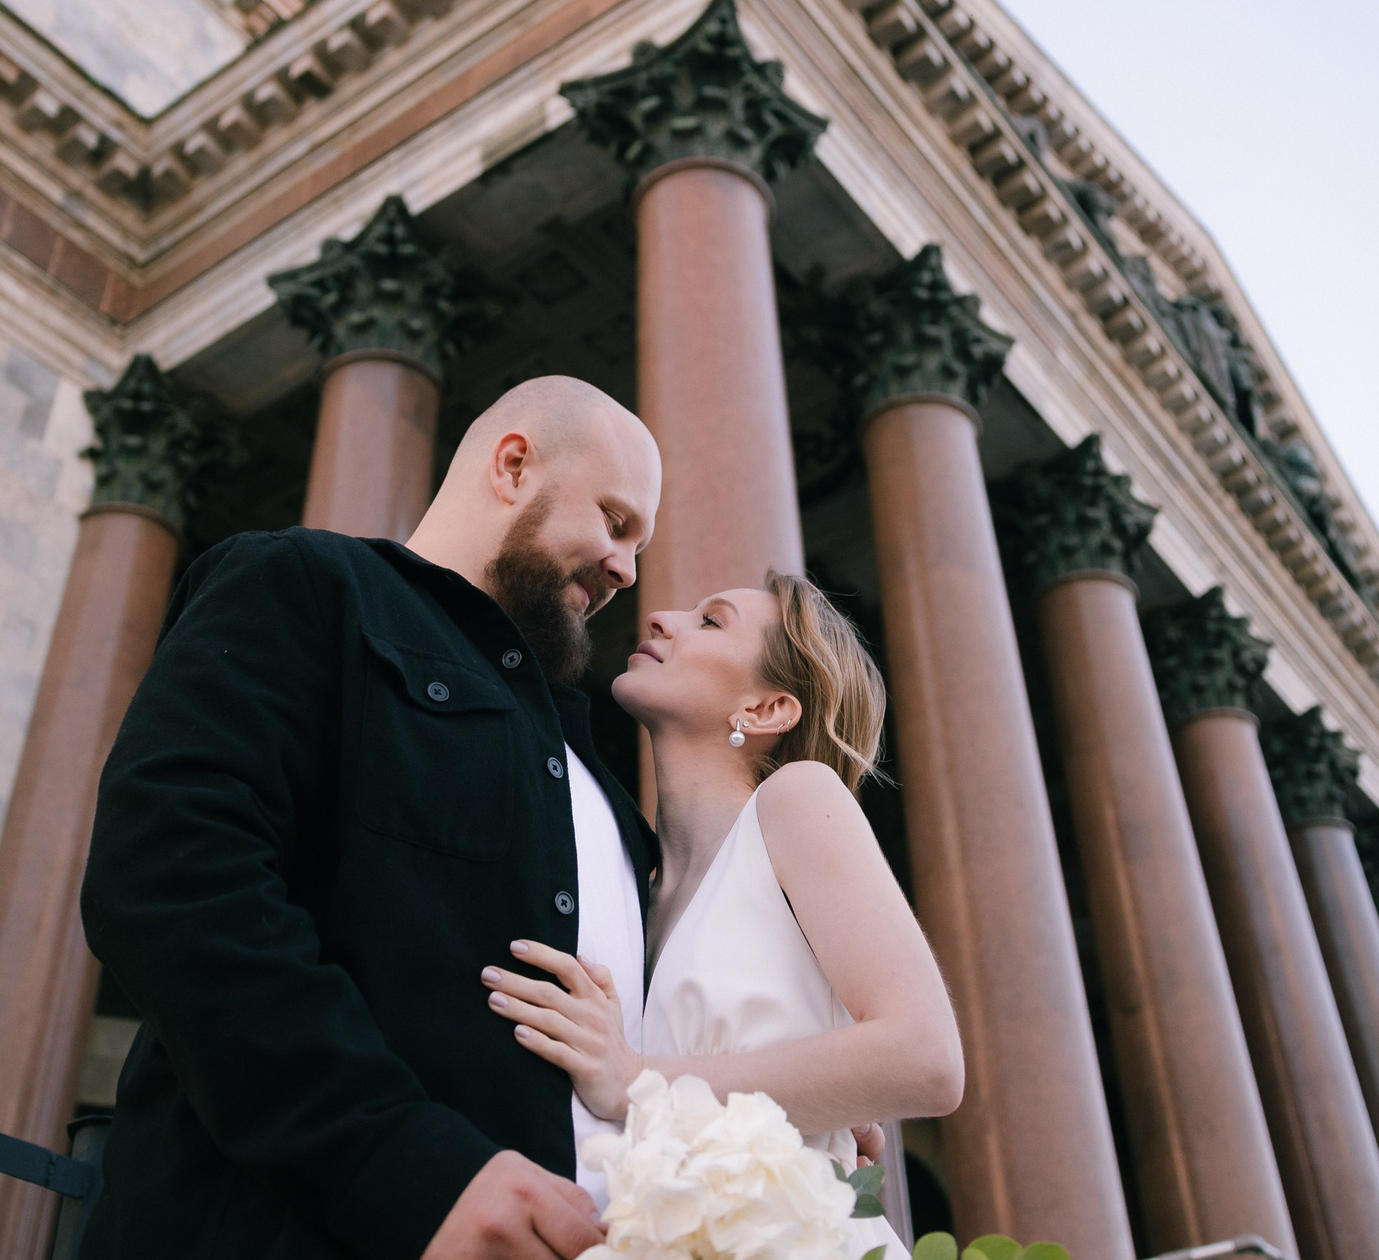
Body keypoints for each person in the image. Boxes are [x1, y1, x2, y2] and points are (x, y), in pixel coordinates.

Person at [78, 375, 662, 1260]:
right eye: (616, 522)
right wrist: (408, 1166)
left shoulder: (600, 780)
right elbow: (169, 879)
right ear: (512, 466)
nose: (628, 567)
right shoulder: (306, 585)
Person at [482, 573, 963, 1260]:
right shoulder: (634, 889)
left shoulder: (797, 799)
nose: (662, 617)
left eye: (711, 621)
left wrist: (640, 1077)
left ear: (766, 707)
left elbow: (929, 1056)